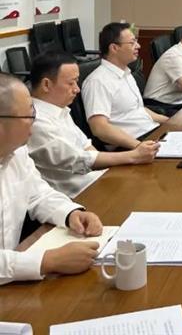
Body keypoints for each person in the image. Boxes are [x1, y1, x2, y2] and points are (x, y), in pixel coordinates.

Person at [0, 73, 103, 286]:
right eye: (29, 115)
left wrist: (71, 213)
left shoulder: (17, 152)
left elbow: (39, 194)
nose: (35, 121)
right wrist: (46, 261)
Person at [28, 52, 159, 197]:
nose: (77, 89)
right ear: (46, 84)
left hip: (95, 181)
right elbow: (78, 159)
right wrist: (133, 156)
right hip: (77, 196)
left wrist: (112, 168)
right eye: (71, 83)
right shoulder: (35, 121)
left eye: (77, 82)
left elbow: (86, 146)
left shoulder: (60, 110)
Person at [82, 22, 167, 150]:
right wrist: (139, 147)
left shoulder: (126, 73)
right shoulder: (97, 81)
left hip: (151, 133)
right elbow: (99, 128)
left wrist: (170, 121)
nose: (138, 46)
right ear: (114, 48)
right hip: (131, 144)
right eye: (132, 43)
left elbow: (138, 110)